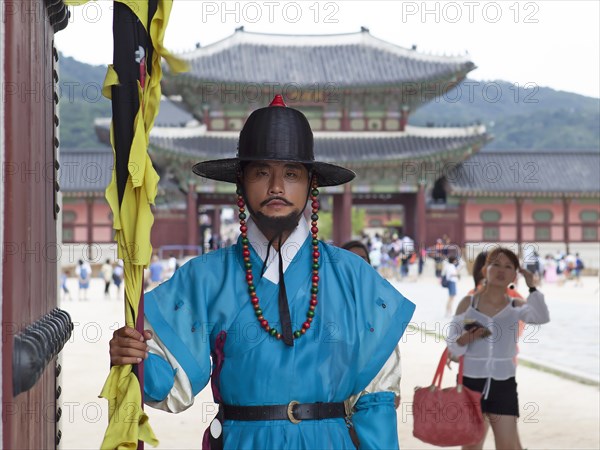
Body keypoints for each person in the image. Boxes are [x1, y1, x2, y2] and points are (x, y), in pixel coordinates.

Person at [108, 96, 416, 450]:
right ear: (241, 182)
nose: (276, 187)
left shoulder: (354, 277)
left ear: (311, 184)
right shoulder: (206, 277)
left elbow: (375, 401)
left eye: (291, 173)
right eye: (260, 172)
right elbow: (169, 386)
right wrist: (133, 357)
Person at [446, 247, 550, 450]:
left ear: (514, 275)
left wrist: (533, 288)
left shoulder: (516, 305)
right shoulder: (468, 303)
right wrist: (465, 339)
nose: (501, 270)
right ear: (485, 270)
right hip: (470, 383)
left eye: (508, 266)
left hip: (504, 384)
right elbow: (452, 347)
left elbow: (541, 317)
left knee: (507, 446)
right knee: (471, 446)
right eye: (496, 264)